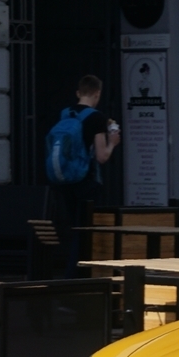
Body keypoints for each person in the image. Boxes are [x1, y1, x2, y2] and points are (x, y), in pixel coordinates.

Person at [56, 75, 120, 277]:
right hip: (87, 180)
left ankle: (68, 273)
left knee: (73, 229)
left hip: (65, 179)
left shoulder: (65, 114)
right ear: (97, 93)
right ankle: (76, 278)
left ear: (78, 93)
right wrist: (113, 143)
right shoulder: (96, 118)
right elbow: (101, 156)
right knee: (86, 231)